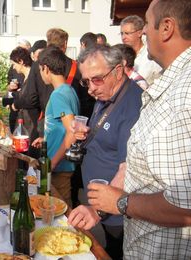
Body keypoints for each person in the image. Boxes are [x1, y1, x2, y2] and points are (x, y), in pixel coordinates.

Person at [71, 0, 191, 259]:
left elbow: (185, 203)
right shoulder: (104, 98)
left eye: (147, 23)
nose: (143, 32)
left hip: (140, 232)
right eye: (86, 81)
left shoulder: (179, 94)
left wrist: (116, 204)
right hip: (125, 223)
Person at [67, 44, 143, 259]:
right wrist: (87, 132)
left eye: (97, 79)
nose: (90, 88)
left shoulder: (132, 105)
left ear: (118, 71)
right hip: (104, 208)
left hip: (117, 214)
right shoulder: (106, 94)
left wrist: (97, 210)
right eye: (86, 81)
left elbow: (129, 166)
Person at [32, 46, 80, 207]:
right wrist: (46, 137)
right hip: (60, 164)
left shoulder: (58, 95)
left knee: (62, 210)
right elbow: (60, 127)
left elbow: (72, 132)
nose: (40, 74)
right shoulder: (69, 90)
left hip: (59, 166)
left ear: (46, 68)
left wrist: (52, 163)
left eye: (40, 69)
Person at [120, 15, 162, 85]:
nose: (123, 37)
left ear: (139, 33)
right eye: (122, 34)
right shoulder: (120, 55)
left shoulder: (151, 56)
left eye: (127, 33)